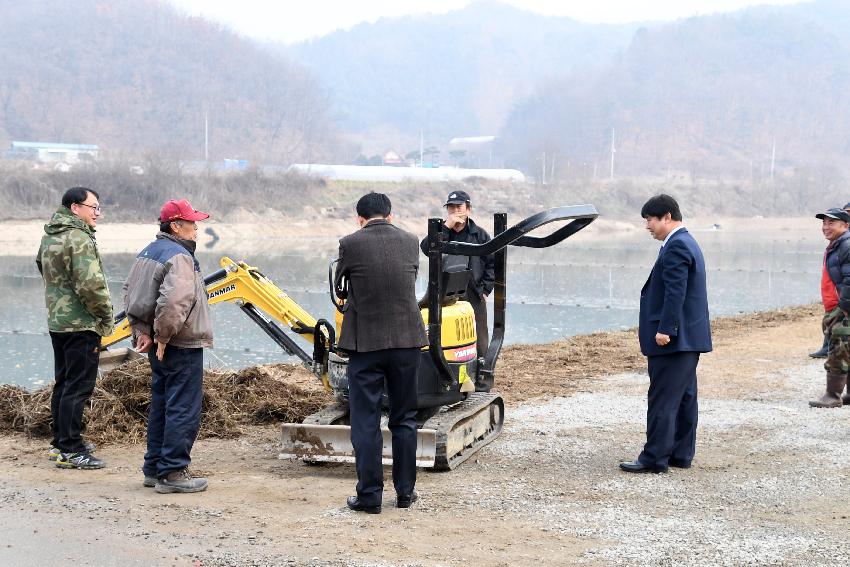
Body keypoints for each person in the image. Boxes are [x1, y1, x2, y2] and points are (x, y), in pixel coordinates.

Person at [336, 192, 428, 514]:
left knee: (366, 420)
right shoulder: (411, 241)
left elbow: (340, 285)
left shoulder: (350, 243)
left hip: (366, 345)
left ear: (360, 219)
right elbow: (409, 278)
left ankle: (370, 496)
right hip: (406, 341)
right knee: (404, 418)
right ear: (390, 215)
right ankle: (405, 494)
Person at [123, 199, 213, 492]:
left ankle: (154, 468)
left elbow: (132, 294)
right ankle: (173, 472)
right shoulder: (180, 257)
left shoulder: (149, 252)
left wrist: (142, 331)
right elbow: (175, 302)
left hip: (158, 340)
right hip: (180, 342)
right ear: (176, 226)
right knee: (183, 406)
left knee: (162, 402)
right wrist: (162, 336)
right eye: (191, 223)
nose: (196, 229)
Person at [620, 194, 712, 474]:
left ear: (667, 217)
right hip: (687, 338)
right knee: (684, 397)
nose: (647, 225)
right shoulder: (685, 242)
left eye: (650, 219)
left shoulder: (677, 246)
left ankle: (654, 458)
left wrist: (665, 330)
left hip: (673, 339)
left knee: (662, 398)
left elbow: (676, 292)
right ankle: (680, 454)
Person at [37, 186, 114, 470]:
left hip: (58, 322)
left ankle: (61, 443)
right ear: (75, 208)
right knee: (79, 387)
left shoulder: (50, 234)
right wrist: (105, 318)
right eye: (93, 207)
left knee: (64, 383)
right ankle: (71, 450)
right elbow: (91, 285)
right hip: (81, 323)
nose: (98, 213)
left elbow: (41, 267)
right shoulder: (79, 237)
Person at [420, 190, 495, 389]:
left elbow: (492, 263)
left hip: (473, 290)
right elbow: (427, 249)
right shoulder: (440, 230)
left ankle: (482, 380)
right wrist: (445, 228)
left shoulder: (480, 234)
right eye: (451, 208)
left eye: (459, 207)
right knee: (441, 333)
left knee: (480, 337)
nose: (455, 211)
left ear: (468, 209)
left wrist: (486, 289)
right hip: (444, 290)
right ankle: (446, 379)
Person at [809, 208, 850, 408]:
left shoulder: (847, 245)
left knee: (838, 350)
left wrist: (843, 308)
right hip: (836, 306)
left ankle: (833, 395)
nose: (825, 227)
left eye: (831, 223)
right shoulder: (837, 245)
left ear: (845, 225)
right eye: (824, 223)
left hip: (842, 309)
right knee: (846, 349)